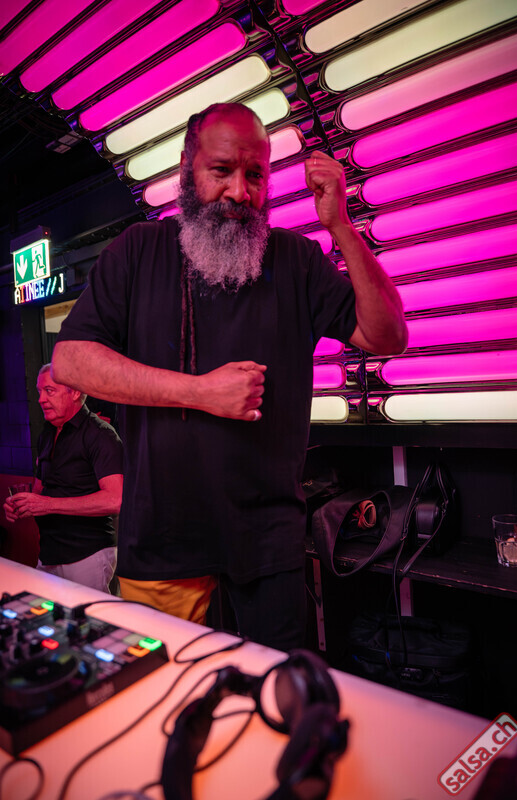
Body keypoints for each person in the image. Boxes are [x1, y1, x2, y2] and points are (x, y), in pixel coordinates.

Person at [51, 102, 408, 648]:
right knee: (157, 690)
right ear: (187, 170)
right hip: (161, 538)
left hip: (268, 540)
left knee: (278, 687)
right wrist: (200, 392)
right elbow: (71, 360)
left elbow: (387, 336)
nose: (240, 192)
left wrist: (340, 225)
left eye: (255, 175)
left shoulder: (295, 259)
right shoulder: (139, 250)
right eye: (221, 171)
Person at [4, 364, 123, 593]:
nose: (41, 399)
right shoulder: (47, 434)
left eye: (49, 391)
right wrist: (22, 505)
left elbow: (115, 500)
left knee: (86, 616)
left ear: (75, 392)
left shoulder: (100, 435)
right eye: (39, 391)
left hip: (86, 552)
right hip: (49, 551)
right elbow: (39, 491)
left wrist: (47, 505)